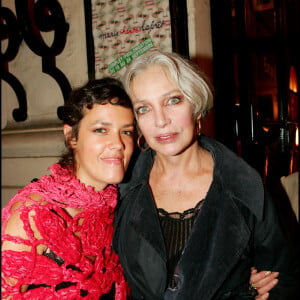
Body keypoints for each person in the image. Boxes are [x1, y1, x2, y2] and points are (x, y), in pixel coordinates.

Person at [112, 51, 300, 299]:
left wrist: (242, 292)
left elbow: (283, 280)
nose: (160, 121)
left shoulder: (246, 188)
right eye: (144, 108)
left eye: (173, 100)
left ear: (196, 105)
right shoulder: (119, 187)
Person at [1, 78, 135, 299]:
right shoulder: (34, 213)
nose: (118, 143)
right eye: (102, 129)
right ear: (72, 136)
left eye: (127, 132)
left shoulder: (116, 206)